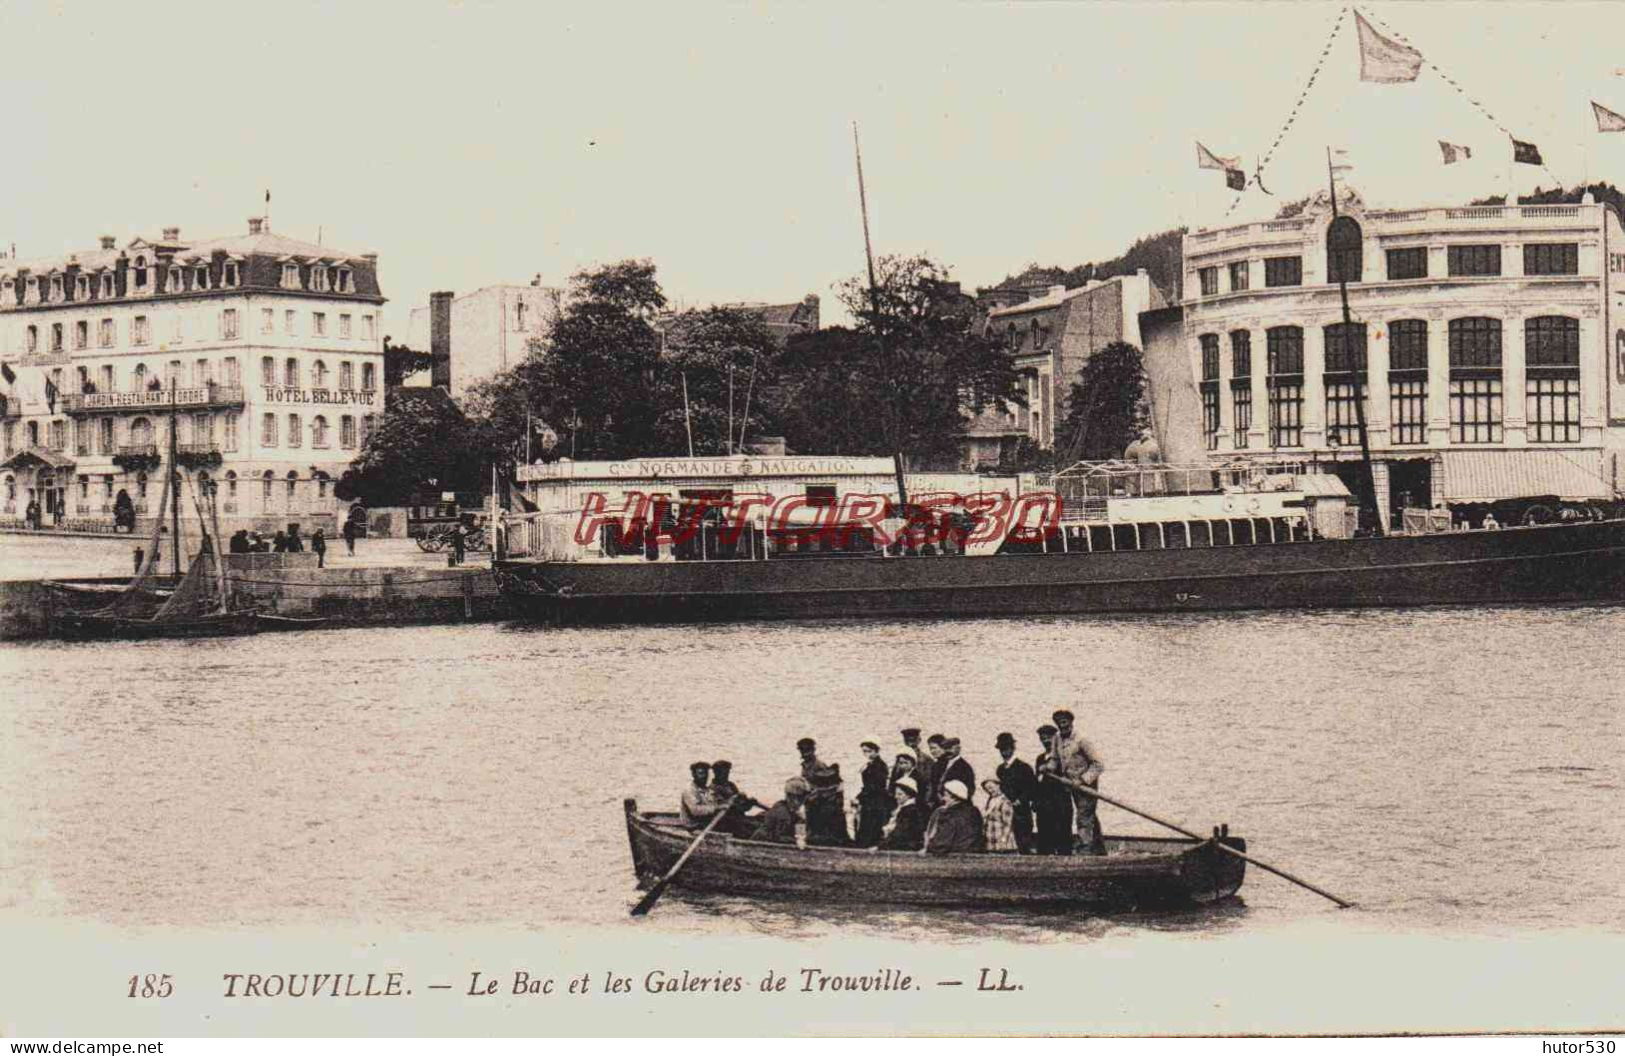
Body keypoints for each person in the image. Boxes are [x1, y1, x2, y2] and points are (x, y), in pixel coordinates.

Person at [1049, 709, 1106, 855]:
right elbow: (1055, 759)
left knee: (1084, 816)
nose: (1062, 726)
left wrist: (1082, 780)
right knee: (1088, 815)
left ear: (1071, 722)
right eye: (1059, 723)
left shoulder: (1081, 740)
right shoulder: (1057, 738)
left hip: (1086, 785)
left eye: (1065, 722)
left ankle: (1085, 850)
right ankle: (1098, 848)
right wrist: (1048, 767)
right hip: (1070, 784)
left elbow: (1098, 764)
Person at [1033, 725, 1075, 855]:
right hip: (1044, 804)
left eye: (1048, 738)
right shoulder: (1040, 758)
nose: (1045, 741)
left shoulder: (1063, 757)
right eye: (1042, 738)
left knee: (1063, 835)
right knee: (1044, 836)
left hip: (1060, 802)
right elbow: (1038, 781)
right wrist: (1036, 801)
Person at [994, 732, 1038, 854]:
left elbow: (1032, 788)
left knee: (1022, 842)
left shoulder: (1024, 767)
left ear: (1013, 748)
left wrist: (1020, 800)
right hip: (1005, 812)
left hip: (1021, 812)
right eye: (1001, 749)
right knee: (1007, 842)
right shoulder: (1000, 769)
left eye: (1006, 748)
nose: (1004, 752)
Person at [923, 779, 985, 855]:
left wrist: (928, 848)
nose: (943, 799)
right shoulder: (974, 812)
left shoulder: (949, 814)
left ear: (954, 797)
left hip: (954, 859)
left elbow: (941, 844)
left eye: (945, 795)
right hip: (974, 856)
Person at [853, 738, 892, 848]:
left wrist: (860, 796)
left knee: (872, 823)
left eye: (869, 751)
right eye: (864, 751)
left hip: (876, 800)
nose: (866, 754)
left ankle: (869, 845)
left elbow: (875, 786)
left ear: (876, 751)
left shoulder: (880, 766)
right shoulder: (871, 764)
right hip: (869, 799)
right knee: (866, 823)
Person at [749, 777, 810, 846]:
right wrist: (797, 841)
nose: (803, 801)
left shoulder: (795, 813)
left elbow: (800, 834)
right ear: (792, 797)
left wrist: (802, 837)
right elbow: (779, 837)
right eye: (802, 798)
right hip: (762, 842)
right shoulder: (782, 812)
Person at [709, 760, 763, 837]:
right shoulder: (712, 789)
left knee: (762, 819)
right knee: (756, 827)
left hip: (739, 818)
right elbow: (725, 808)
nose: (725, 775)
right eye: (722, 772)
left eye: (727, 772)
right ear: (716, 773)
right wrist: (735, 801)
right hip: (725, 822)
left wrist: (749, 803)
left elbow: (742, 807)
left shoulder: (731, 785)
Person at [877, 778, 927, 851]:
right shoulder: (902, 809)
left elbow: (899, 833)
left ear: (908, 795)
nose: (896, 797)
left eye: (900, 794)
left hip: (906, 848)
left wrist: (880, 847)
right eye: (896, 794)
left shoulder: (910, 811)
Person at [931, 737, 975, 810]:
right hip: (939, 805)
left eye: (951, 748)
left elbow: (969, 790)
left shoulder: (965, 767)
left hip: (956, 806)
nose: (948, 751)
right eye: (945, 748)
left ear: (959, 749)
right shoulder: (939, 765)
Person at [679, 762, 720, 830]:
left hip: (706, 824)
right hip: (693, 826)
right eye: (701, 773)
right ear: (694, 775)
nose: (704, 776)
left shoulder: (709, 790)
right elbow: (696, 811)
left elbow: (715, 802)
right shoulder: (689, 790)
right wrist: (716, 808)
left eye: (706, 773)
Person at [981, 779, 1017, 852]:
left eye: (991, 787)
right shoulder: (990, 800)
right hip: (991, 839)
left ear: (998, 785)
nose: (989, 790)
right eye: (986, 789)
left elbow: (1007, 823)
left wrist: (1004, 841)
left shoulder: (1005, 801)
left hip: (1002, 841)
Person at [919, 734, 947, 808]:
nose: (932, 751)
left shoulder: (948, 764)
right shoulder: (935, 765)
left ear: (943, 747)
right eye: (930, 749)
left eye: (934, 748)